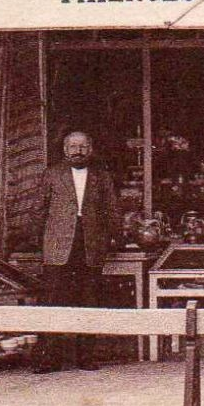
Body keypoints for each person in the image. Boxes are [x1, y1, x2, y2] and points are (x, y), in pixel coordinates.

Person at [35, 131, 120, 372]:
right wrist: (33, 242)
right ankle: (49, 358)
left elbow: (112, 210)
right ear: (65, 150)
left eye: (83, 146)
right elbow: (39, 210)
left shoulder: (102, 177)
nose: (78, 151)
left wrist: (116, 238)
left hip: (90, 245)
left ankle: (87, 357)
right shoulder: (51, 174)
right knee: (53, 301)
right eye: (73, 146)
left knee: (89, 300)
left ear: (90, 149)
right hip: (57, 247)